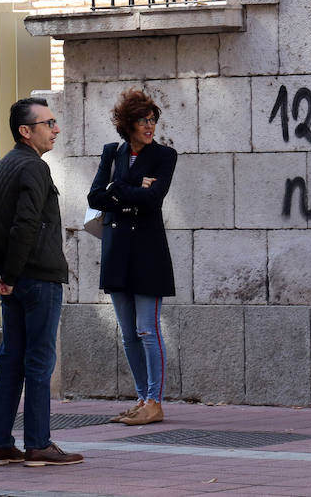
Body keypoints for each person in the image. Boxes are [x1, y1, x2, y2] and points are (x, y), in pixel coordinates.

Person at [0, 97, 83, 468]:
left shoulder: (4, 166)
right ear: (26, 131)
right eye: (48, 123)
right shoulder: (35, 169)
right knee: (38, 362)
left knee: (11, 361)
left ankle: (1, 445)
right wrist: (6, 274)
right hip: (37, 279)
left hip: (14, 280)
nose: (55, 129)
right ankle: (38, 444)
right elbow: (25, 225)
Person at [88, 88, 177, 426]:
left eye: (152, 120)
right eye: (143, 120)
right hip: (116, 250)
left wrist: (121, 192)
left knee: (147, 330)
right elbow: (95, 196)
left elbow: (154, 199)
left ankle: (155, 400)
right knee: (127, 332)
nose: (149, 126)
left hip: (147, 252)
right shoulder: (112, 153)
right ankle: (141, 398)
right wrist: (134, 189)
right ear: (128, 124)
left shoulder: (165, 156)